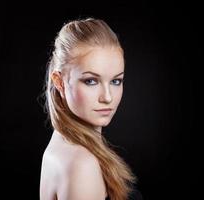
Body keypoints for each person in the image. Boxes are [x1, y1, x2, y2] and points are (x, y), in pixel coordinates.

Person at [39, 18, 143, 200]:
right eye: (91, 81)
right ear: (60, 82)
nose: (108, 97)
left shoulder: (62, 145)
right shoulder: (81, 164)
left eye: (116, 81)